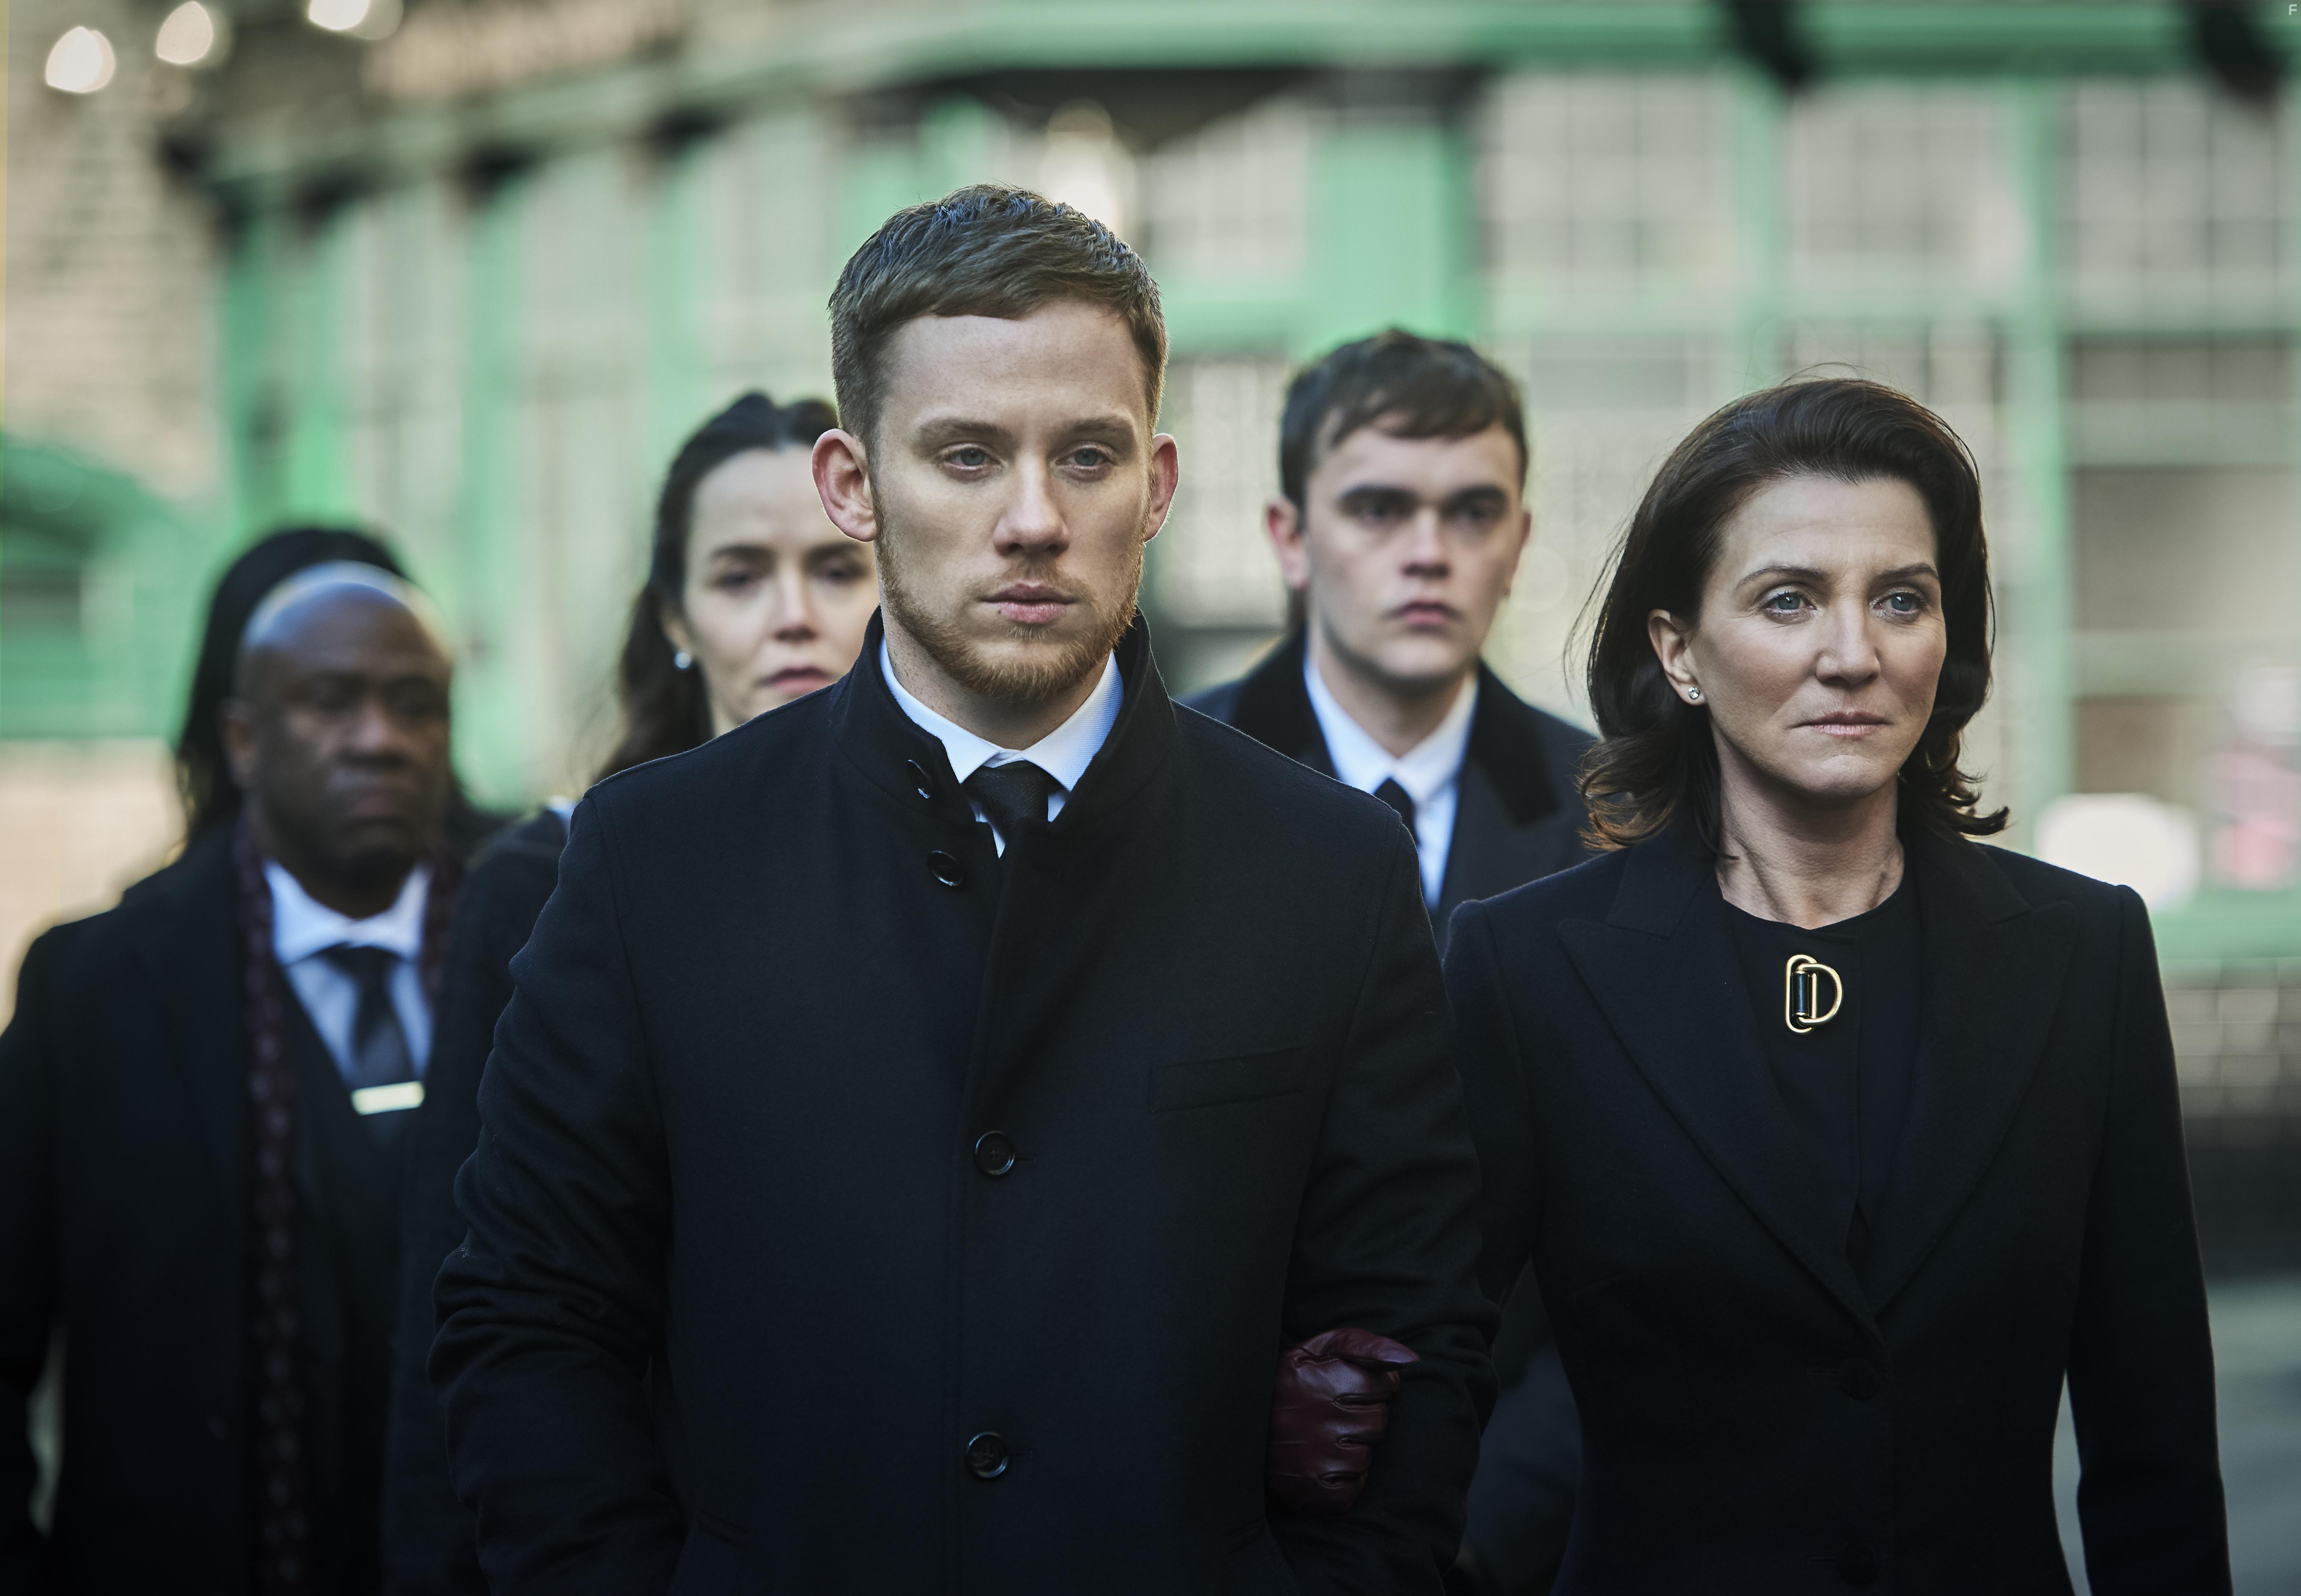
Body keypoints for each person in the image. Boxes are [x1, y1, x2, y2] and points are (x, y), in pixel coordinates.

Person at [429, 184, 1494, 1593]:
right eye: (966, 456)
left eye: (1088, 456)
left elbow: (1411, 1328)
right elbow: (532, 1320)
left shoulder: (1329, 870)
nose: (1033, 519)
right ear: (852, 483)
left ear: (1158, 485)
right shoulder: (652, 859)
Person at [1449, 378, 2230, 1591]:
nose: (1852, 654)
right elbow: (1424, 1386)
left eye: (1901, 600)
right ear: (1679, 651)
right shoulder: (1524, 967)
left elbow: (2156, 1446)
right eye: (1788, 599)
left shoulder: (2084, 954)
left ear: (1946, 641)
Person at [381, 390, 871, 1595]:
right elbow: (471, 1312)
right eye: (741, 576)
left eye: (835, 570)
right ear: (675, 617)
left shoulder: (982, 865)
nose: (793, 618)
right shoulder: (549, 883)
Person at [1188, 329, 1590, 1594]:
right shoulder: (1155, 800)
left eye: (1471, 511)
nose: (1430, 550)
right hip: (1212, 1515)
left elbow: (1653, 1232)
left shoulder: (1623, 820)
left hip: (1532, 1520)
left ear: (1519, 539)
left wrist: (1495, 1515)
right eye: (1378, 507)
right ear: (1290, 536)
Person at [1, 557, 464, 1596]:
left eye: (413, 705)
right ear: (245, 739)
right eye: (329, 702)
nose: (378, 739)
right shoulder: (98, 989)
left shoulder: (545, 951)